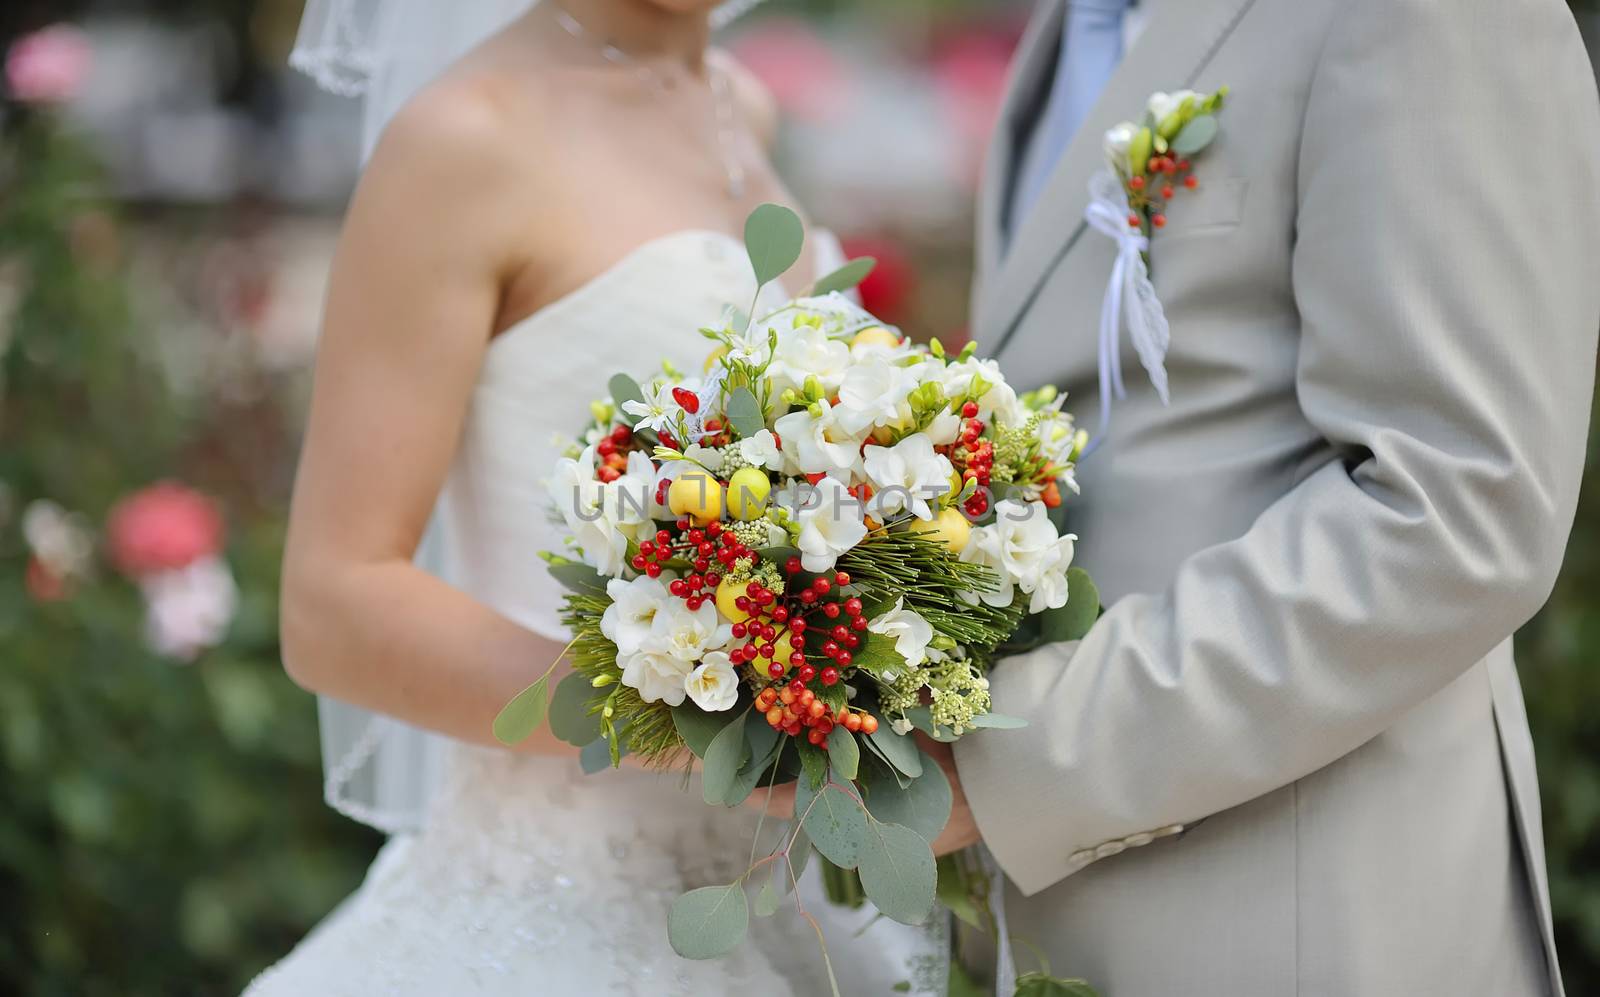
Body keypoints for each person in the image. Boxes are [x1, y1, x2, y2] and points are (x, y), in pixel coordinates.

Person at [245, 0, 941, 993]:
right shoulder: (467, 135)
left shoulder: (738, 104)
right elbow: (335, 604)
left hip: (782, 903)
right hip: (556, 907)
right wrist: (719, 723)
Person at [938, 0, 1600, 993]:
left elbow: (1461, 510)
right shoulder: (1062, 29)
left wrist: (1010, 763)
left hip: (1301, 917)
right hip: (1050, 920)